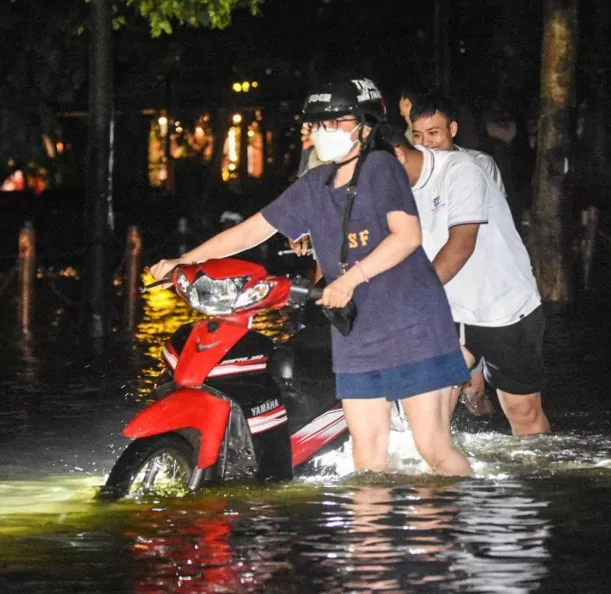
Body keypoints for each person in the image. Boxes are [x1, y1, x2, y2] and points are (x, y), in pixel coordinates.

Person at [150, 77, 472, 476]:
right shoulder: (314, 185)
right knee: (366, 461)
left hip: (413, 324)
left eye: (335, 123)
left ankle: (456, 530)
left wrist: (348, 279)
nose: (323, 132)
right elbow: (251, 230)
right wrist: (185, 262)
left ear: (366, 126)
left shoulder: (381, 167)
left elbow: (407, 236)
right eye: (317, 124)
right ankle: (369, 540)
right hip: (355, 330)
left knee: (434, 449)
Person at [382, 125, 551, 436]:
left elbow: (461, 245)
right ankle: (436, 478)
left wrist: (411, 299)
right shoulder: (390, 190)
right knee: (430, 419)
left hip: (505, 307)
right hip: (448, 312)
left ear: (397, 155)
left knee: (523, 413)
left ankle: (537, 479)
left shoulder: (463, 170)